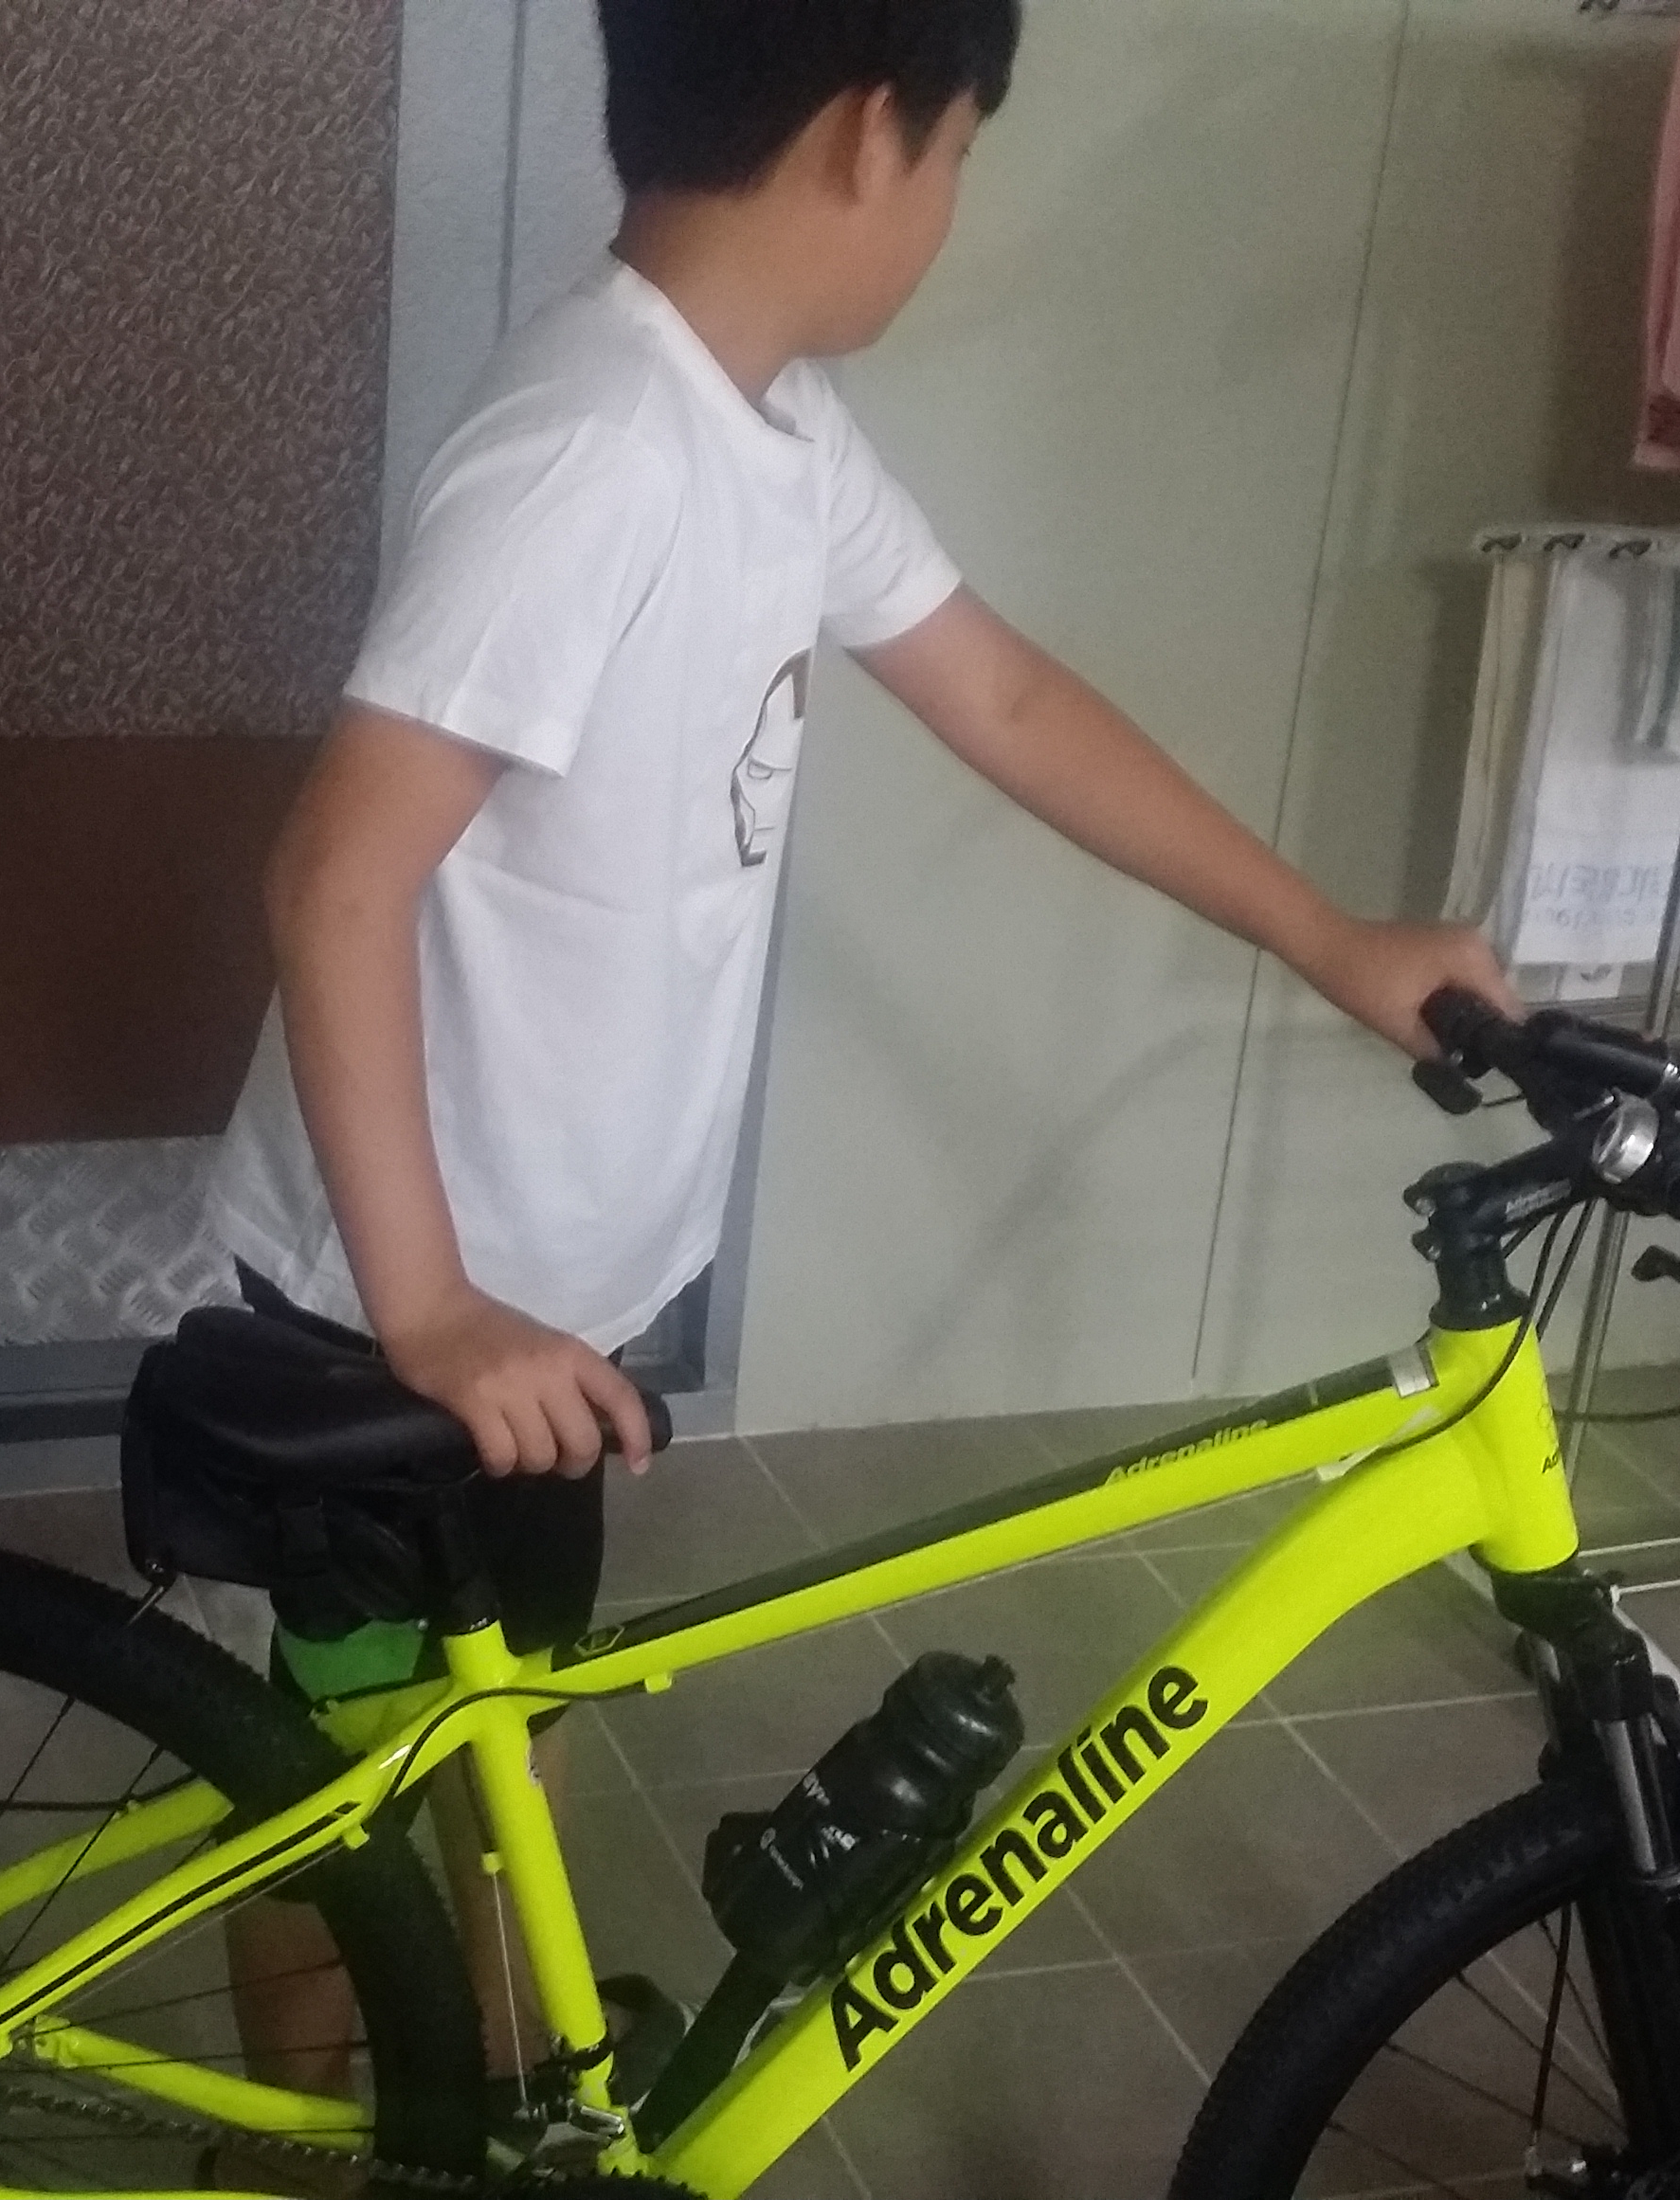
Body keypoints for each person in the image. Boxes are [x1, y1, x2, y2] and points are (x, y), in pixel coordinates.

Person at [203, 0, 1516, 2137]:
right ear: (865, 134)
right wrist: (428, 1307)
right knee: (336, 1797)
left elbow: (1004, 699)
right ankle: (288, 2142)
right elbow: (334, 878)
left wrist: (1330, 938)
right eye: (963, 153)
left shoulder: (773, 433)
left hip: (548, 1305)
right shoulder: (593, 450)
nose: (953, 204)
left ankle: (503, 2113)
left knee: (506, 1736)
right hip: (392, 1303)